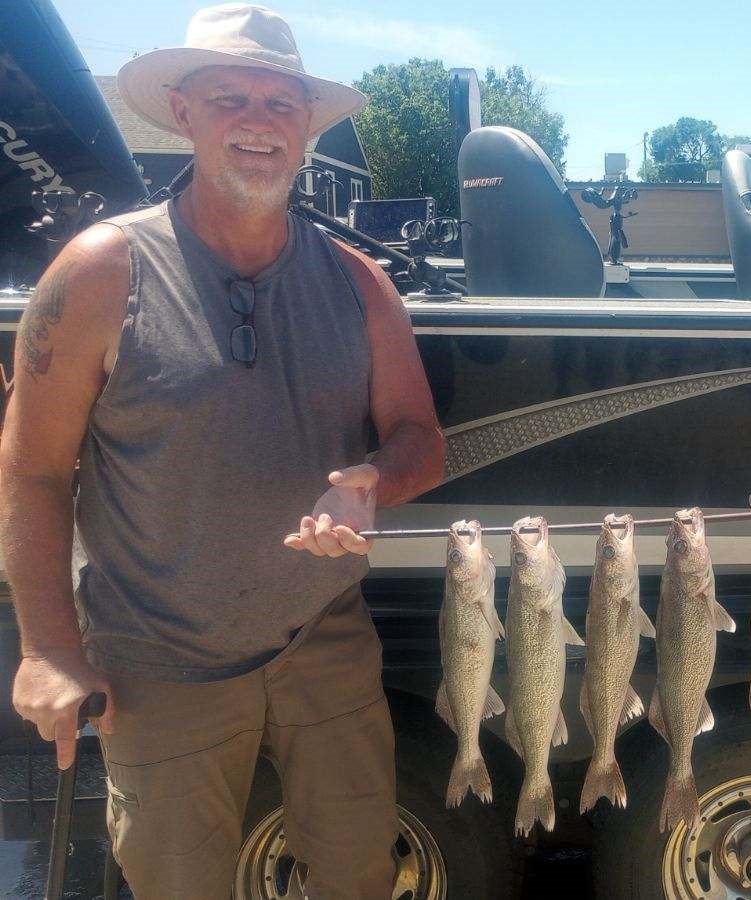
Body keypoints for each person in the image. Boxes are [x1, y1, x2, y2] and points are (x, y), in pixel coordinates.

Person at [0, 5, 445, 897]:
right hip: (156, 663)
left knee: (360, 873)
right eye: (230, 98)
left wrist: (372, 483)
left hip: (325, 641)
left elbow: (420, 440)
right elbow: (31, 469)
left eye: (281, 103)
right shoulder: (100, 272)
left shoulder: (360, 283)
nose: (257, 121)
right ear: (184, 111)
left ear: (306, 126)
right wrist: (46, 647)